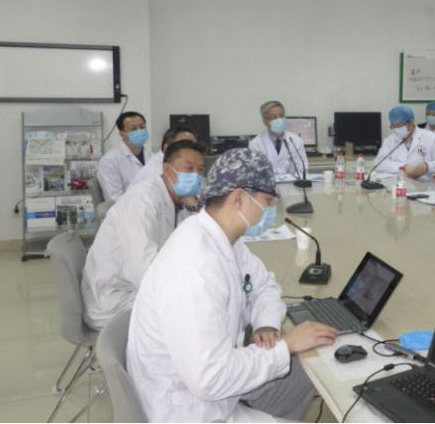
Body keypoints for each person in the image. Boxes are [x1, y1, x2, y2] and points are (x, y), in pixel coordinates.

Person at [127, 148, 337, 422]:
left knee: (312, 358)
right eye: (267, 200)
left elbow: (264, 286)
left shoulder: (224, 239)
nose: (271, 209)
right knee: (298, 355)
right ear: (239, 199)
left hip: (214, 390)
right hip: (191, 410)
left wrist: (265, 324)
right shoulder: (194, 265)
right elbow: (210, 378)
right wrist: (285, 345)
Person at [81, 141, 206, 330]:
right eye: (189, 169)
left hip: (137, 288)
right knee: (197, 310)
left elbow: (196, 241)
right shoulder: (142, 203)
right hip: (116, 300)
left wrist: (194, 207)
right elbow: (142, 273)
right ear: (167, 169)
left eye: (200, 170)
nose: (195, 176)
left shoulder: (176, 199)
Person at [374, 105, 435, 181]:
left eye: (399, 126)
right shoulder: (390, 140)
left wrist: (427, 166)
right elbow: (379, 164)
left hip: (425, 185)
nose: (396, 129)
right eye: (393, 126)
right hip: (398, 183)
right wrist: (404, 167)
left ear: (411, 123)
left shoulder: (431, 138)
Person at [97, 111, 151, 202]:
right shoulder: (109, 161)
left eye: (142, 127)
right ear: (122, 134)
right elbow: (114, 198)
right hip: (128, 208)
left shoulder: (152, 157)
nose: (139, 131)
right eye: (133, 129)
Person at [248, 100, 308, 179]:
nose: (279, 120)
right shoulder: (256, 144)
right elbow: (256, 172)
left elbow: (302, 168)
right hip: (268, 185)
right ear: (265, 121)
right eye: (274, 117)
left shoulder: (295, 140)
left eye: (281, 116)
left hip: (292, 184)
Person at [128, 125, 198, 188]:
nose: (191, 152)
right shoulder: (157, 173)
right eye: (183, 146)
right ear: (166, 149)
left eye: (193, 146)